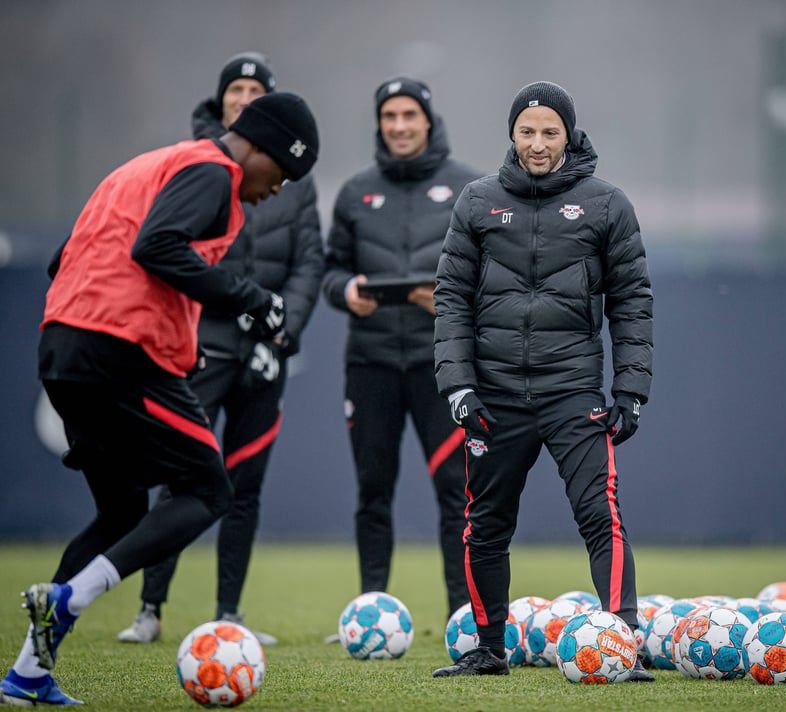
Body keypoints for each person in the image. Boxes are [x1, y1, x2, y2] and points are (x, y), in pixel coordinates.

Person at [0, 92, 319, 706]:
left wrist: (175, 333)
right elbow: (157, 247)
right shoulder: (213, 171)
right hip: (117, 353)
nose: (278, 190)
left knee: (121, 512)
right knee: (210, 490)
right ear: (256, 148)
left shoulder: (145, 167)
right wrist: (250, 298)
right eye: (280, 173)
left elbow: (63, 259)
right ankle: (71, 598)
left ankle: (28, 674)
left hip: (63, 350)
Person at [429, 81, 654, 680]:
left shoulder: (607, 204)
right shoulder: (477, 202)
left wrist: (630, 391)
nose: (537, 143)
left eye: (549, 132)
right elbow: (450, 298)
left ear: (569, 135)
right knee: (484, 524)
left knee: (600, 515)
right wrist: (459, 386)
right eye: (527, 131)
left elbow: (632, 300)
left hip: (572, 392)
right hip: (493, 396)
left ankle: (622, 641)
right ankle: (488, 649)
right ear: (511, 134)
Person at [115, 52, 324, 647]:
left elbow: (310, 264)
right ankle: (149, 609)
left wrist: (281, 337)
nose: (244, 96)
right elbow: (172, 255)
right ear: (221, 99)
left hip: (267, 353)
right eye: (236, 87)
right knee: (183, 475)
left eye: (256, 89)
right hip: (200, 345)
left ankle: (228, 613)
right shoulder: (197, 164)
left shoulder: (288, 179)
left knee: (246, 484)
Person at [321, 77, 482, 627]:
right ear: (379, 124)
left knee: (455, 491)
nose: (399, 126)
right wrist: (348, 294)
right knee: (373, 488)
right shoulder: (354, 191)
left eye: (409, 115)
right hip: (369, 362)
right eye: (389, 116)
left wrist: (448, 304)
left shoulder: (470, 188)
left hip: (442, 365)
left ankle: (464, 614)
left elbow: (491, 275)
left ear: (428, 122)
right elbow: (329, 271)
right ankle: (370, 607)